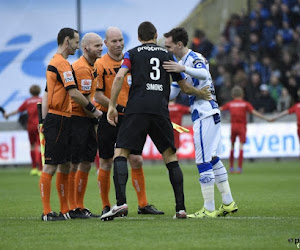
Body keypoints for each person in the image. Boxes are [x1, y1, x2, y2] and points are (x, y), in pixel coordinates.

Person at [101, 21, 211, 221]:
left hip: (137, 110)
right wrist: (200, 93)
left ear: (139, 36)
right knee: (170, 157)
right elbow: (185, 88)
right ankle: (180, 209)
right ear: (156, 35)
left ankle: (121, 203)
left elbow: (119, 78)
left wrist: (111, 106)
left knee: (120, 153)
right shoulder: (167, 55)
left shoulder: (132, 54)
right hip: (160, 110)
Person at [163, 27, 237, 218]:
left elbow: (204, 74)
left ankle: (209, 209)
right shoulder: (181, 63)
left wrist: (183, 69)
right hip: (208, 114)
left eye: (169, 45)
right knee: (212, 159)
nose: (167, 49)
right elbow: (173, 92)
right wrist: (155, 97)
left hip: (205, 113)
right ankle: (228, 203)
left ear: (179, 44)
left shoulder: (193, 58)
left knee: (202, 161)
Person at [94, 27, 164, 216]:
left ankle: (143, 204)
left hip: (131, 118)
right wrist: (115, 107)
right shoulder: (100, 64)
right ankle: (107, 205)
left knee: (137, 159)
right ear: (106, 43)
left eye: (120, 40)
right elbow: (97, 95)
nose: (118, 44)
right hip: (109, 117)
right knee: (107, 162)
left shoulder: (131, 59)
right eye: (114, 41)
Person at [39, 28, 102, 221]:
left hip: (64, 117)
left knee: (66, 164)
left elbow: (48, 91)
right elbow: (74, 93)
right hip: (58, 118)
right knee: (51, 165)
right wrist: (94, 111)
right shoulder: (61, 63)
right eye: (75, 42)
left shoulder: (63, 63)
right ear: (67, 41)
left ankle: (66, 210)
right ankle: (47, 212)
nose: (77, 45)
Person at [68, 32, 103, 218]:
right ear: (86, 47)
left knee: (87, 162)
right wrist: (97, 115)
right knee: (75, 163)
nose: (101, 48)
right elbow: (81, 99)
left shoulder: (93, 66)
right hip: (76, 118)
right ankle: (73, 207)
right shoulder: (81, 68)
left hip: (87, 119)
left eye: (100, 45)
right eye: (97, 45)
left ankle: (79, 206)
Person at [220, 86, 271, 173]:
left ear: (232, 95)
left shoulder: (230, 104)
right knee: (241, 146)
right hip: (242, 127)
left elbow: (220, 109)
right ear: (242, 95)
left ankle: (231, 167)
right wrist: (266, 118)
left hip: (233, 126)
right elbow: (254, 112)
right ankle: (239, 168)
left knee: (232, 146)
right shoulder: (245, 104)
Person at [4, 85, 42, 176]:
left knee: (32, 146)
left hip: (30, 126)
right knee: (41, 147)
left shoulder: (27, 101)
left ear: (30, 92)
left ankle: (33, 169)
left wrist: (8, 115)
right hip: (40, 126)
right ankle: (41, 169)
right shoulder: (42, 100)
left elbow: (18, 111)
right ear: (39, 91)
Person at [271, 90, 300, 158]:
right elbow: (286, 112)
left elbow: (286, 112)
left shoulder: (297, 106)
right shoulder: (297, 106)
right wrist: (275, 117)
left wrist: (275, 118)